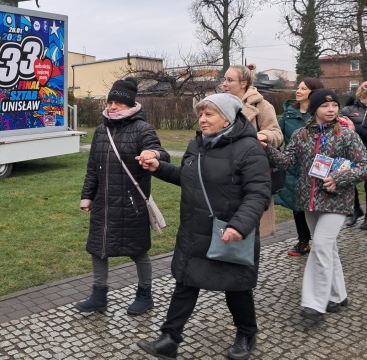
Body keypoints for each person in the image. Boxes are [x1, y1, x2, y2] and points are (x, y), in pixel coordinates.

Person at [135, 93, 271, 360]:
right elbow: (188, 178)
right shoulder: (197, 145)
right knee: (186, 283)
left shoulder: (249, 149)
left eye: (209, 114)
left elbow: (258, 194)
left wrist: (240, 226)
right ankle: (169, 339)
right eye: (201, 114)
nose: (202, 119)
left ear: (227, 118)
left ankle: (246, 334)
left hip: (229, 232)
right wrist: (159, 167)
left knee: (237, 288)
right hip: (195, 230)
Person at [260, 89, 367, 323]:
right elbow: (288, 161)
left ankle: (314, 304)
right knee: (328, 249)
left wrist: (339, 178)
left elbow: (363, 165)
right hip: (309, 201)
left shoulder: (347, 135)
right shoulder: (301, 135)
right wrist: (267, 147)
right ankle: (338, 296)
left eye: (334, 106)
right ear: (314, 109)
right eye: (325, 106)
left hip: (337, 200)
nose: (331, 110)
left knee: (319, 246)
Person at [77, 77, 170, 316]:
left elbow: (162, 154)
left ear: (130, 105)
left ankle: (144, 295)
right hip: (103, 205)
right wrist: (88, 196)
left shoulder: (143, 129)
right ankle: (98, 296)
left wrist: (152, 153)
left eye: (119, 102)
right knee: (98, 249)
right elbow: (92, 168)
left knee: (138, 251)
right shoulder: (100, 131)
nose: (113, 106)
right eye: (110, 101)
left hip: (132, 205)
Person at [222, 64, 283, 238]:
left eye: (230, 80)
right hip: (224, 172)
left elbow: (277, 134)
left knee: (251, 230)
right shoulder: (220, 104)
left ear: (244, 83)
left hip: (252, 172)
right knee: (225, 228)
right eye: (224, 79)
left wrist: (262, 136)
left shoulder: (262, 106)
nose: (225, 83)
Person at [274, 78, 325, 256]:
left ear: (314, 92)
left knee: (315, 203)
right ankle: (303, 241)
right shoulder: (288, 114)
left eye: (303, 88)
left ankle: (321, 239)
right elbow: (277, 137)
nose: (298, 90)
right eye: (298, 87)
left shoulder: (321, 113)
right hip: (293, 168)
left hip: (317, 168)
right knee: (297, 204)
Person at [339, 81, 367, 228]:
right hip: (350, 150)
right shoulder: (348, 109)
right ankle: (355, 210)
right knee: (349, 181)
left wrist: (353, 128)